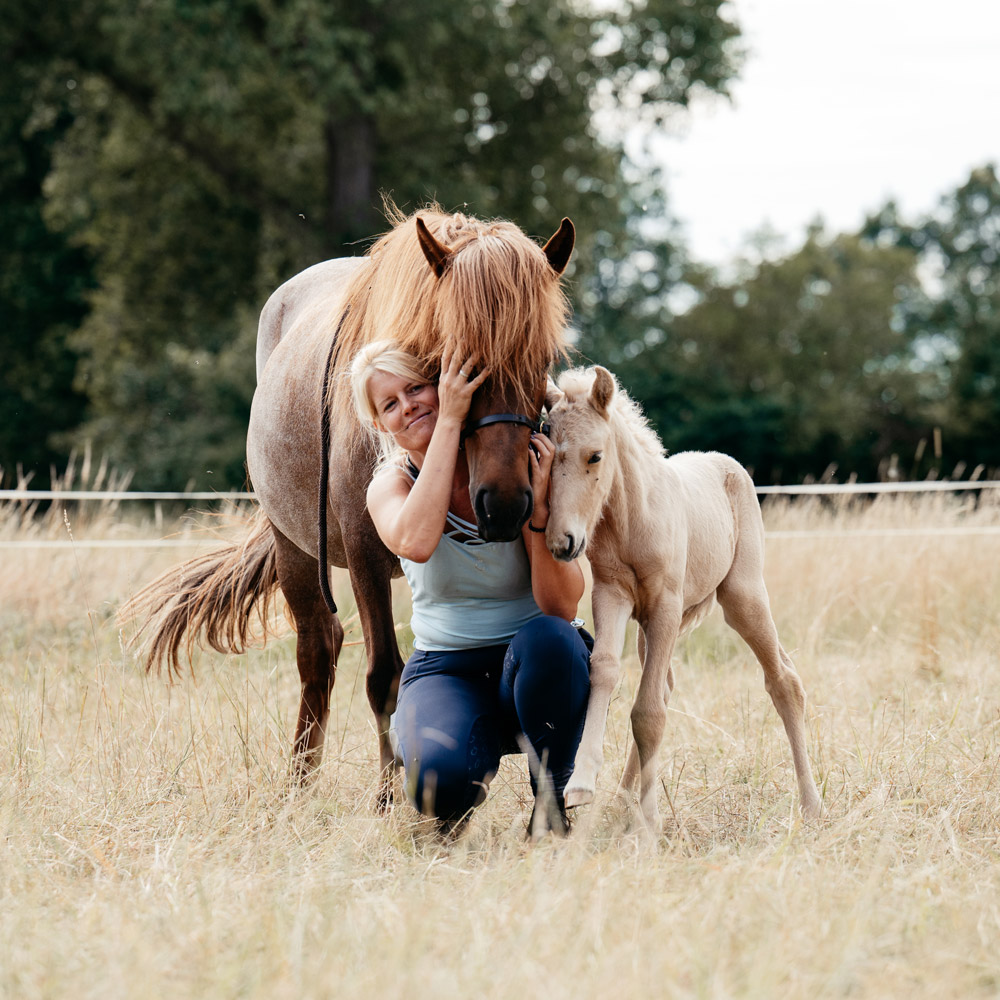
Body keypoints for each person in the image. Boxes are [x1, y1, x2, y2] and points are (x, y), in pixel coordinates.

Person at [349, 340, 591, 833]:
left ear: (442, 385)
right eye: (390, 404)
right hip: (446, 668)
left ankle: (551, 802)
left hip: (529, 660)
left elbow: (562, 604)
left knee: (555, 639)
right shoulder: (388, 486)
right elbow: (416, 541)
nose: (408, 405)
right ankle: (459, 757)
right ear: (379, 425)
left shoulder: (507, 468)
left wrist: (539, 511)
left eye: (416, 388)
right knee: (436, 787)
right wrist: (450, 422)